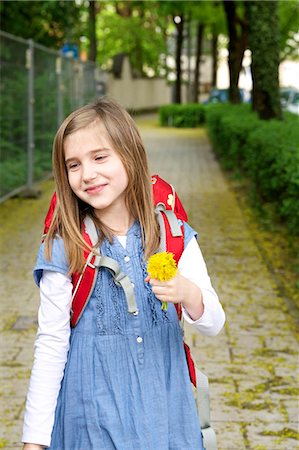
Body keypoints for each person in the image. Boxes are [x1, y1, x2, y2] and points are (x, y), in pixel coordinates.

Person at [22, 97, 225, 450]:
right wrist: (34, 442)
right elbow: (51, 345)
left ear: (130, 155)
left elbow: (213, 323)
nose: (87, 174)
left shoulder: (171, 234)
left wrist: (188, 293)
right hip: (90, 419)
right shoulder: (65, 246)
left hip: (166, 417)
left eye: (100, 157)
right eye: (73, 164)